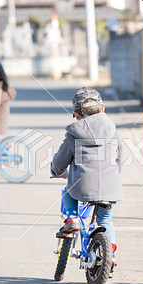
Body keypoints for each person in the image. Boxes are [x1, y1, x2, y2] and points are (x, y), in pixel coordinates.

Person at [51, 87, 123, 271]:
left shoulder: (73, 133)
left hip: (82, 186)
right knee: (105, 220)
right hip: (111, 186)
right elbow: (119, 157)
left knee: (68, 190)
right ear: (103, 109)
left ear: (75, 114)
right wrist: (115, 177)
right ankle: (111, 256)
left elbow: (60, 160)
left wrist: (57, 171)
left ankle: (73, 218)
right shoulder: (112, 130)